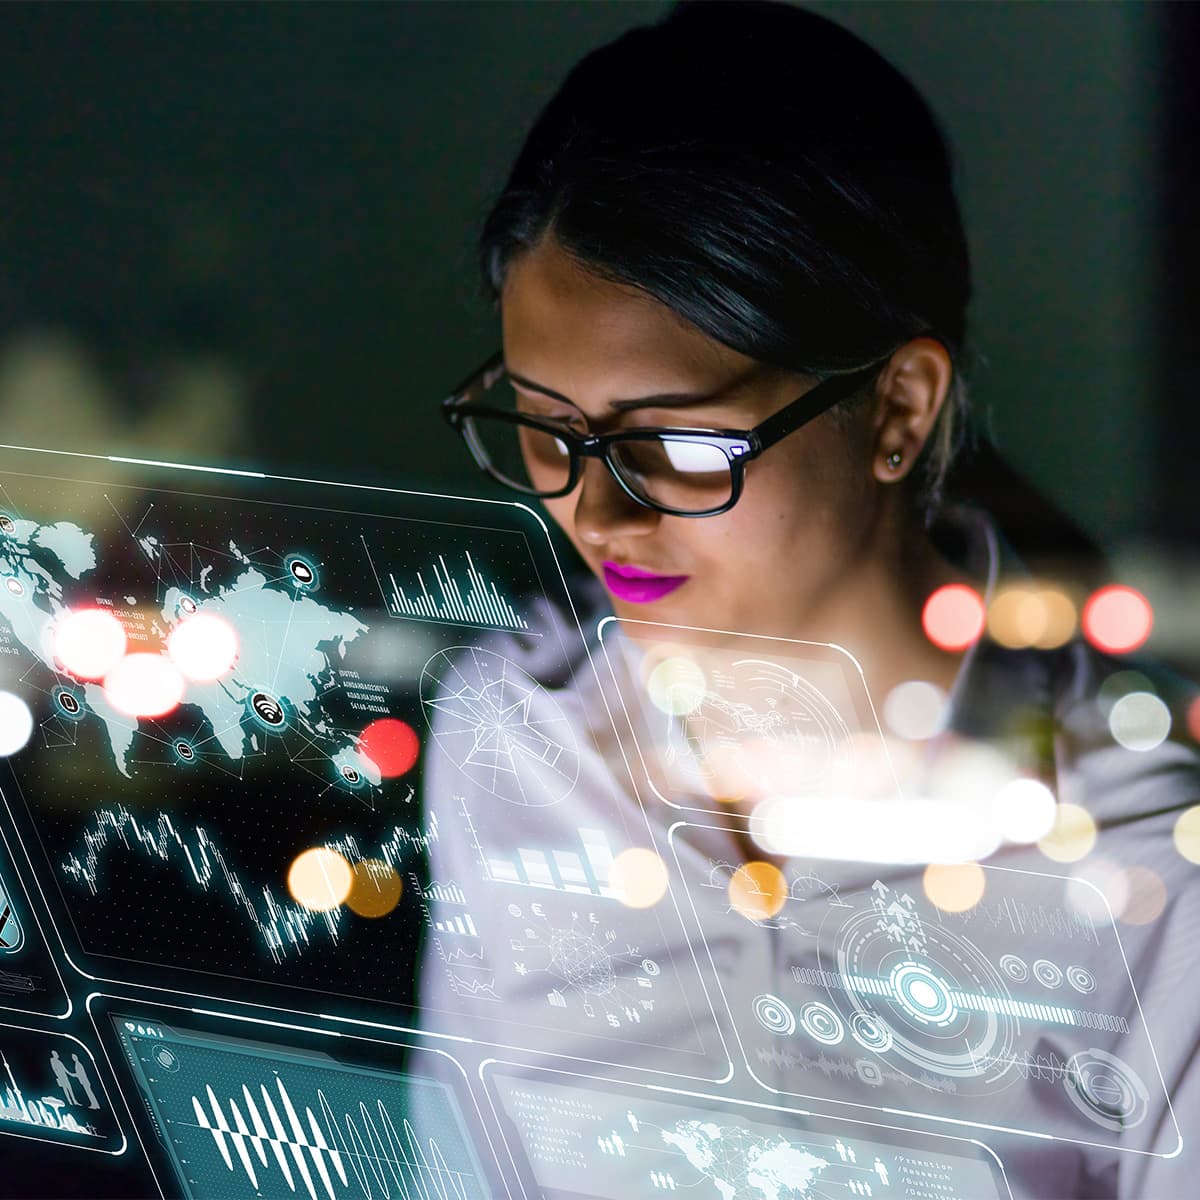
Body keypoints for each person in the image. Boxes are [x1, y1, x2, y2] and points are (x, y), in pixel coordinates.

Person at [419, 5, 1200, 1198]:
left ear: (896, 408)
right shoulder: (514, 744)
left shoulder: (1142, 858)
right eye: (542, 427)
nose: (600, 517)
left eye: (676, 441)